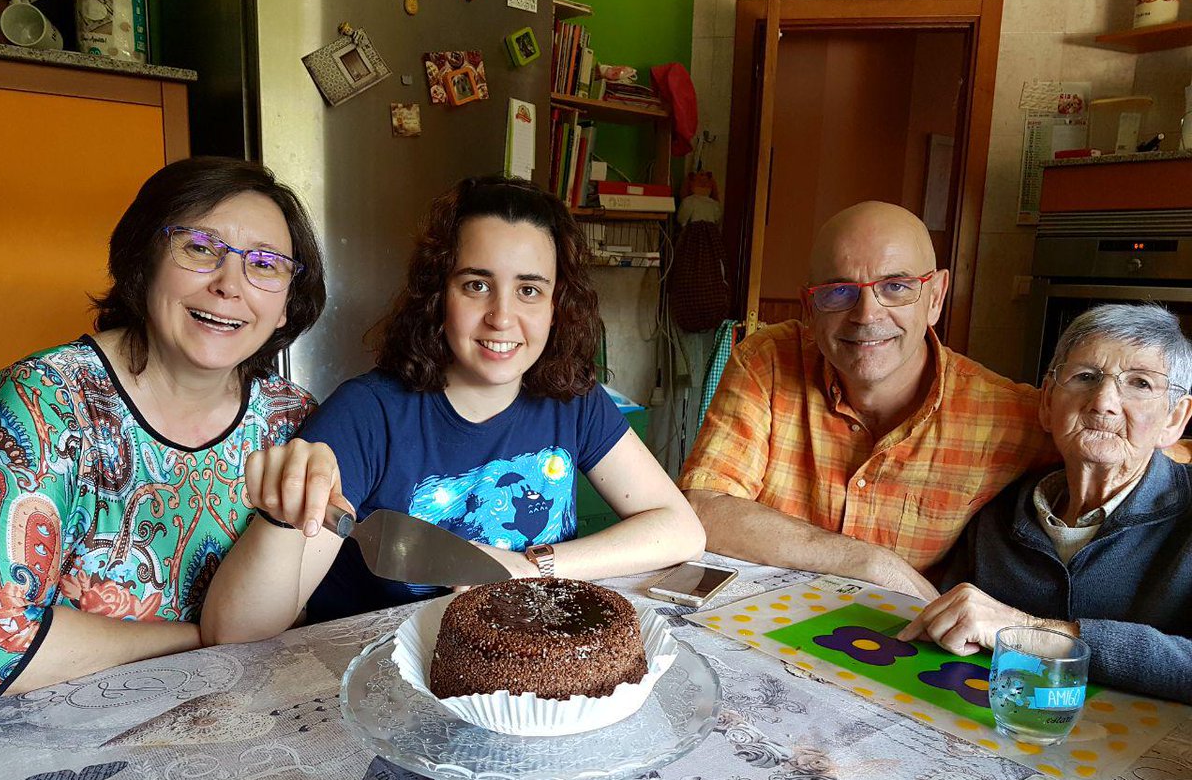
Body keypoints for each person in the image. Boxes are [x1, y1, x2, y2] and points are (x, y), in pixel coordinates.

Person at [200, 176, 704, 641]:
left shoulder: (572, 399)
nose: (502, 317)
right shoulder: (367, 415)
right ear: (438, 295)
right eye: (476, 285)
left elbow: (680, 530)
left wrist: (529, 566)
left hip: (526, 662)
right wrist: (281, 518)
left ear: (556, 305)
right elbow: (238, 636)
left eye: (529, 290)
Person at [0, 157, 326, 698]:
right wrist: (200, 640)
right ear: (142, 262)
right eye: (199, 248)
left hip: (235, 725)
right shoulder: (41, 403)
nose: (229, 285)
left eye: (265, 265)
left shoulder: (294, 421)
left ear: (287, 303)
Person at [679, 201, 1057, 600]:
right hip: (756, 632)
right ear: (809, 308)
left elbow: (1113, 457)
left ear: (936, 296)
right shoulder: (768, 362)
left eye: (896, 287)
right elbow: (706, 507)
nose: (866, 314)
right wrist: (872, 563)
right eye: (839, 291)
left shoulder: (1004, 414)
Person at [900, 304, 1192, 702]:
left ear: (1175, 418)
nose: (1103, 402)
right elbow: (952, 630)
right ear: (1047, 403)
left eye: (1139, 384)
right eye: (1085, 377)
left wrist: (1030, 632)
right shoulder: (1000, 510)